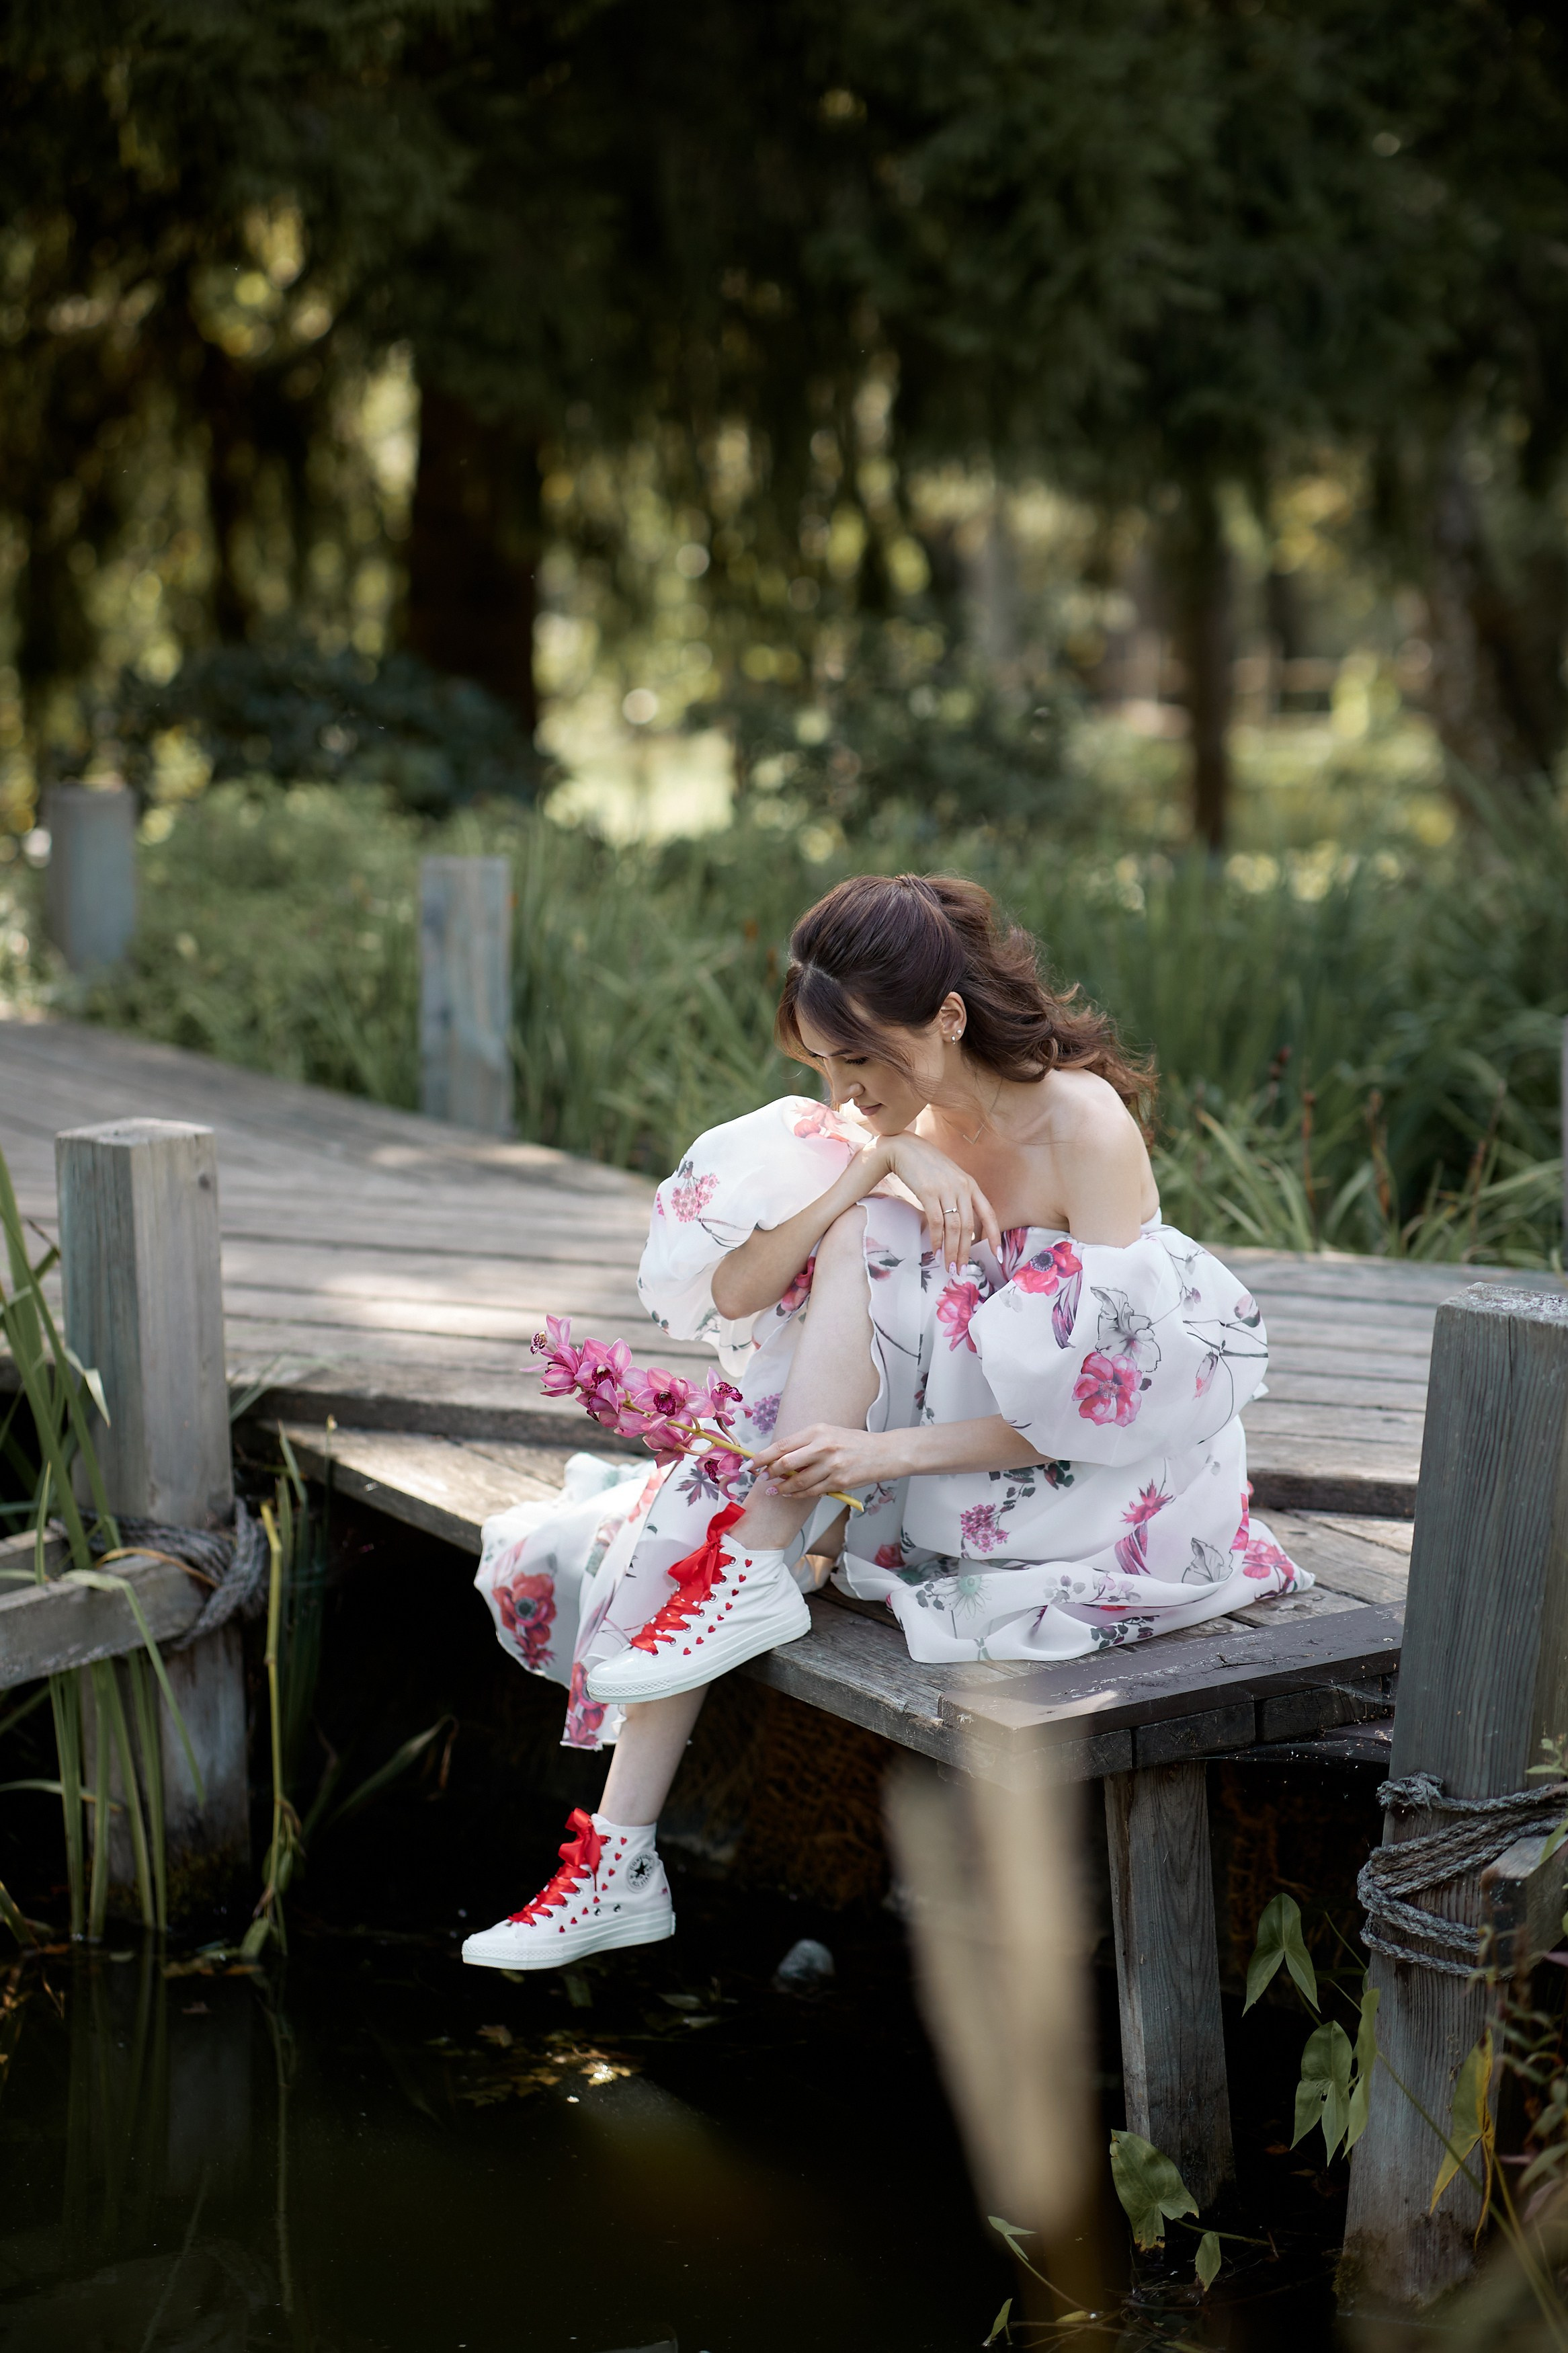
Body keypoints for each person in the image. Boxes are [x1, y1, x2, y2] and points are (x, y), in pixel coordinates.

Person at [461, 873, 1307, 1970]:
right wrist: (874, 1162)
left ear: (946, 1019)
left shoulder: (1081, 1132)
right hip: (930, 1444)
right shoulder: (895, 1117)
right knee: (737, 1463)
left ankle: (745, 1585)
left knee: (753, 1468)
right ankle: (619, 1855)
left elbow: (1097, 1413)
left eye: (860, 1061)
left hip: (1088, 1478)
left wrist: (878, 1453)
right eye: (824, 1066)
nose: (844, 1088)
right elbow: (735, 1294)